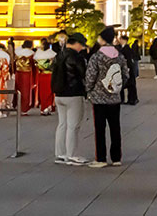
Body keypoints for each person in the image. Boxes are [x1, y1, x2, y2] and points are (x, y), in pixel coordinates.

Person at [85, 26, 129, 168]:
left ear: (102, 39)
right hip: (114, 97)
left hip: (99, 98)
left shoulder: (97, 56)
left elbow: (90, 76)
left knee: (100, 128)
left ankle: (101, 158)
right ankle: (116, 158)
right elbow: (126, 75)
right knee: (115, 127)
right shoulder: (119, 56)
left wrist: (89, 90)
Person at [52, 32, 89, 165]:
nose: (82, 48)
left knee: (62, 124)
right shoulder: (76, 57)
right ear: (77, 44)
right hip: (73, 93)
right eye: (82, 45)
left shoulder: (58, 55)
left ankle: (60, 154)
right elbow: (83, 74)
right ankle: (72, 154)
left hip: (59, 94)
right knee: (73, 126)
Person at [13, 40, 36, 115]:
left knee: (18, 89)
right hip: (27, 74)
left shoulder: (17, 53)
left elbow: (14, 64)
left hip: (18, 74)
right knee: (26, 91)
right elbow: (34, 66)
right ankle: (24, 109)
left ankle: (17, 105)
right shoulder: (31, 54)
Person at [34, 40, 57, 115]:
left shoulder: (38, 55)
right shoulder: (52, 55)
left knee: (42, 92)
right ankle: (48, 107)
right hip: (50, 75)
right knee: (49, 91)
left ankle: (43, 107)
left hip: (41, 75)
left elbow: (36, 65)